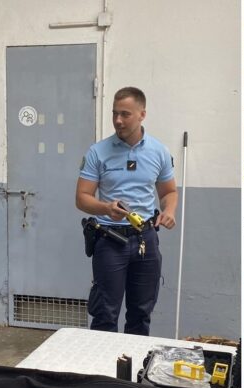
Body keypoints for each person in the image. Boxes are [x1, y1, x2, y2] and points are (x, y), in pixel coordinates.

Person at [75, 86, 177, 335]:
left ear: (142, 114)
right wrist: (105, 208)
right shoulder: (97, 152)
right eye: (114, 114)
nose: (118, 120)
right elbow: (82, 198)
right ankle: (100, 372)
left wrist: (170, 210)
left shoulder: (159, 151)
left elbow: (168, 192)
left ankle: (132, 372)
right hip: (110, 239)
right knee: (105, 314)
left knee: (141, 313)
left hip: (146, 239)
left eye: (125, 114)